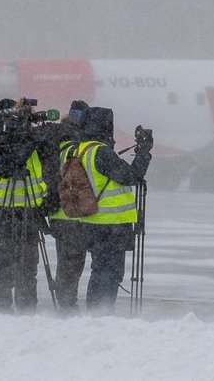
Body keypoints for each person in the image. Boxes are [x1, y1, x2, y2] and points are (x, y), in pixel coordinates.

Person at [51, 106, 152, 313]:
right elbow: (130, 176)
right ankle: (101, 313)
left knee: (99, 269)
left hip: (91, 222)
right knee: (109, 272)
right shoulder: (99, 151)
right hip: (111, 223)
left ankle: (95, 312)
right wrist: (143, 152)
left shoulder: (80, 149)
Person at [0, 98, 52, 313]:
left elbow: (48, 157)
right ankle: (2, 308)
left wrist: (35, 135)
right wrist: (27, 138)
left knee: (28, 265)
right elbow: (11, 165)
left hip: (30, 211)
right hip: (4, 212)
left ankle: (27, 308)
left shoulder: (29, 142)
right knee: (4, 264)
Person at [48, 100, 91, 314]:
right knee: (73, 263)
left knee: (65, 261)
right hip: (73, 211)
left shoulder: (55, 138)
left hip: (57, 211)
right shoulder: (77, 142)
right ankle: (67, 304)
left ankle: (65, 300)